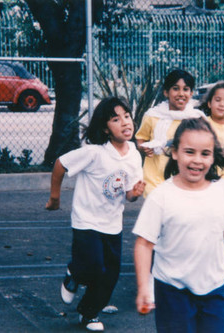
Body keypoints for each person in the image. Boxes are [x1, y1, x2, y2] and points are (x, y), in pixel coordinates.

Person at [133, 117, 224, 333]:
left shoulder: (221, 191)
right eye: (189, 152)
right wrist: (144, 286)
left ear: (213, 157)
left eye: (205, 153)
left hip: (213, 289)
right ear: (174, 152)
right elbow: (144, 244)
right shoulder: (161, 196)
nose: (197, 160)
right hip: (172, 290)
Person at [45, 97, 145, 332]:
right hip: (86, 220)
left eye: (127, 116)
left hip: (112, 224)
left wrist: (135, 194)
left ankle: (89, 313)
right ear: (104, 128)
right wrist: (55, 198)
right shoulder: (94, 153)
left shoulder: (134, 155)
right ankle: (74, 272)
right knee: (92, 266)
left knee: (110, 274)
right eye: (115, 119)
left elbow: (129, 195)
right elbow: (60, 164)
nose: (124, 122)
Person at [136, 68, 205, 197]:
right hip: (155, 179)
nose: (181, 93)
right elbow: (141, 138)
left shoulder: (196, 118)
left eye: (185, 89)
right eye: (175, 88)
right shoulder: (153, 116)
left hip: (184, 179)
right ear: (166, 92)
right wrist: (144, 148)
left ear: (191, 93)